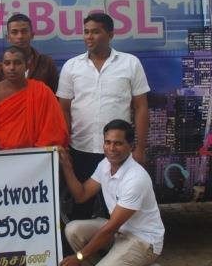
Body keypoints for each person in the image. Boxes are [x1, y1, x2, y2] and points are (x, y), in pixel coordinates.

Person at [57, 13, 150, 221]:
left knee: (118, 210)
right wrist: (65, 144)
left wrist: (140, 149)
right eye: (86, 32)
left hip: (118, 152)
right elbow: (63, 109)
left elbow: (141, 107)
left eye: (95, 32)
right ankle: (83, 241)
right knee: (80, 208)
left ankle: (117, 242)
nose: (89, 37)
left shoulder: (130, 63)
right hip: (81, 149)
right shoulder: (72, 66)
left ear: (110, 35)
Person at [58, 120, 164, 266]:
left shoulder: (135, 178)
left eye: (118, 143)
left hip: (143, 241)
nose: (111, 148)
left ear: (131, 146)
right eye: (107, 142)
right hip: (121, 231)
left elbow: (110, 228)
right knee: (73, 229)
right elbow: (81, 195)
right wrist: (67, 167)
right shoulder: (105, 165)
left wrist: (79, 257)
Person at [0, 46, 68, 151]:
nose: (12, 68)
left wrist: (39, 155)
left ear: (27, 66)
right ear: (1, 66)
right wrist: (1, 156)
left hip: (38, 155)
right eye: (7, 63)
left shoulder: (42, 91)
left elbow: (54, 130)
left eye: (17, 63)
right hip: (2, 155)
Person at [0, 13, 59, 93]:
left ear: (32, 35)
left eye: (24, 31)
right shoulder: (0, 66)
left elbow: (54, 94)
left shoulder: (46, 63)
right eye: (14, 32)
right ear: (8, 37)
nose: (20, 36)